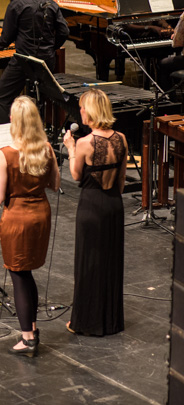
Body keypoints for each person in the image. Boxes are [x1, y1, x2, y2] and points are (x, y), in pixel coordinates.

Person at [0, 96, 60, 357]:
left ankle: (28, 338)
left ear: (13, 121)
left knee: (18, 276)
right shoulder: (47, 149)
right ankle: (32, 327)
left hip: (17, 219)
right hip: (41, 215)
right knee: (27, 272)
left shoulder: (4, 154)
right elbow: (55, 184)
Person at [63, 89, 128, 336]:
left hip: (91, 206)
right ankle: (111, 321)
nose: (80, 111)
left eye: (82, 108)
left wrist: (70, 147)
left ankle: (85, 322)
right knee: (110, 261)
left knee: (88, 264)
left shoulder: (84, 143)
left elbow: (76, 175)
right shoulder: (122, 139)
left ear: (90, 112)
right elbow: (121, 179)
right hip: (114, 205)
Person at [0, 0, 69, 124]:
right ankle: (41, 127)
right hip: (46, 62)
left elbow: (5, 40)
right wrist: (51, 47)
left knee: (2, 98)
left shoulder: (16, 5)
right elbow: (64, 31)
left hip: (24, 62)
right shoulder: (51, 3)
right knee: (43, 98)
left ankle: (6, 133)